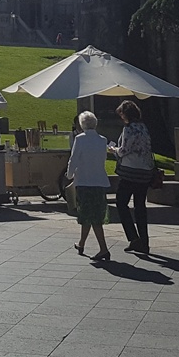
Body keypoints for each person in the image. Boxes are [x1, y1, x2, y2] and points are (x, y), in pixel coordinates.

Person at [109, 99, 154, 255]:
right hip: (145, 171)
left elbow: (124, 150)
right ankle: (144, 241)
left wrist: (113, 149)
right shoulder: (143, 127)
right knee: (140, 206)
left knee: (121, 203)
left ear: (125, 114)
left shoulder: (129, 129)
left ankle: (134, 238)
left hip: (131, 171)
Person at [66, 110, 112, 262]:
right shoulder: (102, 140)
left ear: (81, 124)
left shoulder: (80, 139)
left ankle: (103, 249)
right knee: (92, 214)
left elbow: (74, 159)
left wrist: (69, 174)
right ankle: (81, 243)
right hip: (99, 181)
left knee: (89, 215)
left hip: (84, 181)